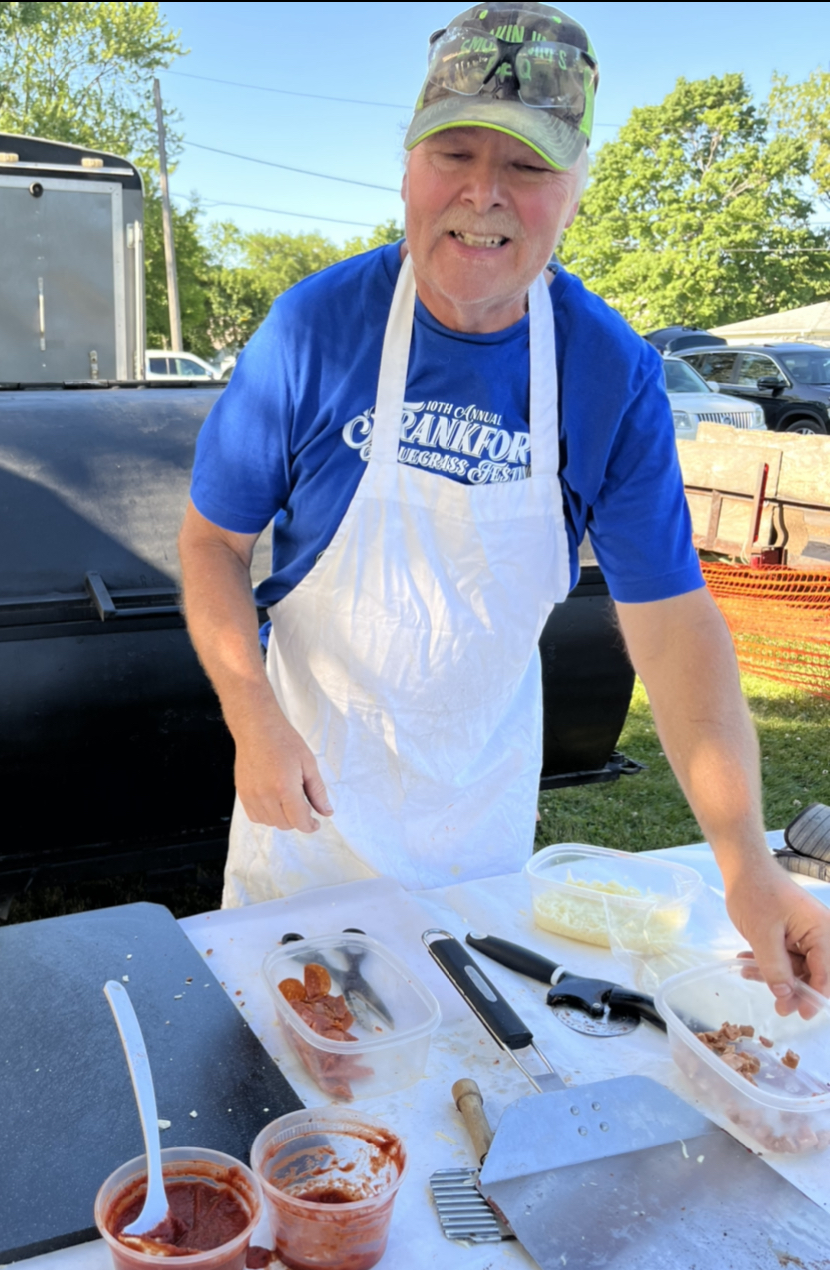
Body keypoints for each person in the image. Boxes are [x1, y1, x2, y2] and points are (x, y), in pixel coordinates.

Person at [178, 1, 830, 1007]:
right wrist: (250, 715)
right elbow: (213, 543)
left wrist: (745, 862)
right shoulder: (315, 329)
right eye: (455, 152)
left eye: (526, 166)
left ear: (572, 190)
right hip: (303, 838)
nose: (483, 193)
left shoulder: (608, 373)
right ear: (407, 165)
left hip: (475, 846)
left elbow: (673, 624)